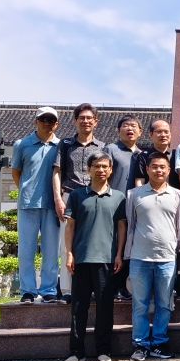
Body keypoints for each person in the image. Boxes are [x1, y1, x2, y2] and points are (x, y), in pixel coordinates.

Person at [124, 152, 180, 361]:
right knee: (140, 304)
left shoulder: (178, 196)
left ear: (169, 170)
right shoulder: (134, 194)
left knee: (164, 304)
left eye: (162, 167)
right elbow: (130, 224)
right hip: (139, 257)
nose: (158, 170)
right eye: (154, 166)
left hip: (167, 258)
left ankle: (159, 343)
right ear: (147, 169)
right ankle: (140, 345)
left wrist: (172, 246)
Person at [63, 153, 126, 361]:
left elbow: (122, 227)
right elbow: (70, 226)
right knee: (78, 308)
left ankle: (103, 351)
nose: (100, 170)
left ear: (111, 170)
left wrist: (119, 254)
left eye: (104, 166)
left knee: (105, 308)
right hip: (81, 259)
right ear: (89, 169)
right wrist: (69, 253)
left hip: (107, 259)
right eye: (96, 166)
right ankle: (76, 352)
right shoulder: (77, 195)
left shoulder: (119, 197)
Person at [54, 103, 106, 303]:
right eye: (81, 118)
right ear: (75, 121)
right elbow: (57, 172)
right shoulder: (65, 144)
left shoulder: (102, 147)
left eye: (89, 118)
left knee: (92, 243)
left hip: (93, 197)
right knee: (66, 243)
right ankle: (67, 290)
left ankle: (90, 288)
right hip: (70, 196)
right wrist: (58, 198)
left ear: (96, 121)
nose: (85, 121)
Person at [11, 107, 61, 303]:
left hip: (53, 204)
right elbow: (16, 172)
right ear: (36, 121)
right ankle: (28, 290)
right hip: (28, 204)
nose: (47, 123)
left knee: (51, 251)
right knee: (26, 251)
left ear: (56, 124)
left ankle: (49, 289)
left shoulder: (61, 146)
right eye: (43, 120)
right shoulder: (22, 144)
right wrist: (26, 190)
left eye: (51, 120)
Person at [104, 115, 142, 301]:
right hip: (114, 204)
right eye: (126, 125)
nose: (130, 129)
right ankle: (110, 285)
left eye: (134, 126)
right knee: (113, 244)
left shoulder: (142, 154)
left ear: (140, 132)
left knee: (128, 245)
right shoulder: (111, 149)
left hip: (134, 206)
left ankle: (123, 286)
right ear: (118, 130)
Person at [131, 120, 180, 190]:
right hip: (149, 194)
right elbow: (140, 180)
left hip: (174, 195)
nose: (163, 135)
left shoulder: (177, 154)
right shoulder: (143, 156)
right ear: (151, 134)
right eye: (159, 132)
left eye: (166, 132)